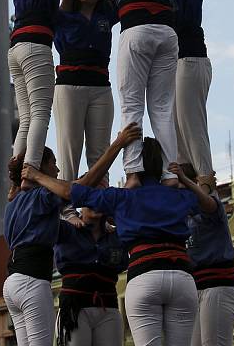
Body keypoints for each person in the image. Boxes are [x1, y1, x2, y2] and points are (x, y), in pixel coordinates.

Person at [24, 137, 217, 346]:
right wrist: (190, 182)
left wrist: (37, 176)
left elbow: (70, 191)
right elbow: (210, 205)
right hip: (182, 277)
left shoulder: (121, 198)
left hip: (145, 276)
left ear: (132, 167)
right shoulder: (177, 196)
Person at [53, 0, 179, 186]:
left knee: (132, 103)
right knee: (163, 108)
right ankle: (171, 173)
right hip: (168, 33)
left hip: (137, 31)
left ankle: (133, 172)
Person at [3, 124, 140, 346]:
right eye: (53, 164)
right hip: (37, 283)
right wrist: (117, 145)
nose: (57, 171)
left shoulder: (15, 203)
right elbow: (76, 188)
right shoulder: (45, 201)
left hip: (14, 280)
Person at [8, 0, 75, 184]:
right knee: (40, 114)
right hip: (35, 45)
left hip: (16, 46)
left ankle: (15, 177)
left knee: (26, 118)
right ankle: (30, 174)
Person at [53, 0, 118, 194]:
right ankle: (67, 208)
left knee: (100, 153)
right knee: (69, 150)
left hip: (101, 88)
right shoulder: (62, 16)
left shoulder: (106, 16)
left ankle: (99, 206)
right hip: (70, 86)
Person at [173, 0, 220, 193]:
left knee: (191, 123)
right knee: (175, 127)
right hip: (171, 58)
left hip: (190, 55)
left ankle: (205, 179)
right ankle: (188, 180)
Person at [178, 163, 234, 346]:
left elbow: (207, 205)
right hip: (194, 287)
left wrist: (196, 185)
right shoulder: (181, 216)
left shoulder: (208, 207)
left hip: (217, 284)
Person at [55, 206, 128, 346]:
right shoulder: (66, 228)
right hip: (74, 309)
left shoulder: (116, 236)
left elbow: (123, 263)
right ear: (80, 203)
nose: (96, 203)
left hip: (108, 307)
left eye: (100, 198)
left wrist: (117, 218)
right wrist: (68, 214)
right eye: (91, 196)